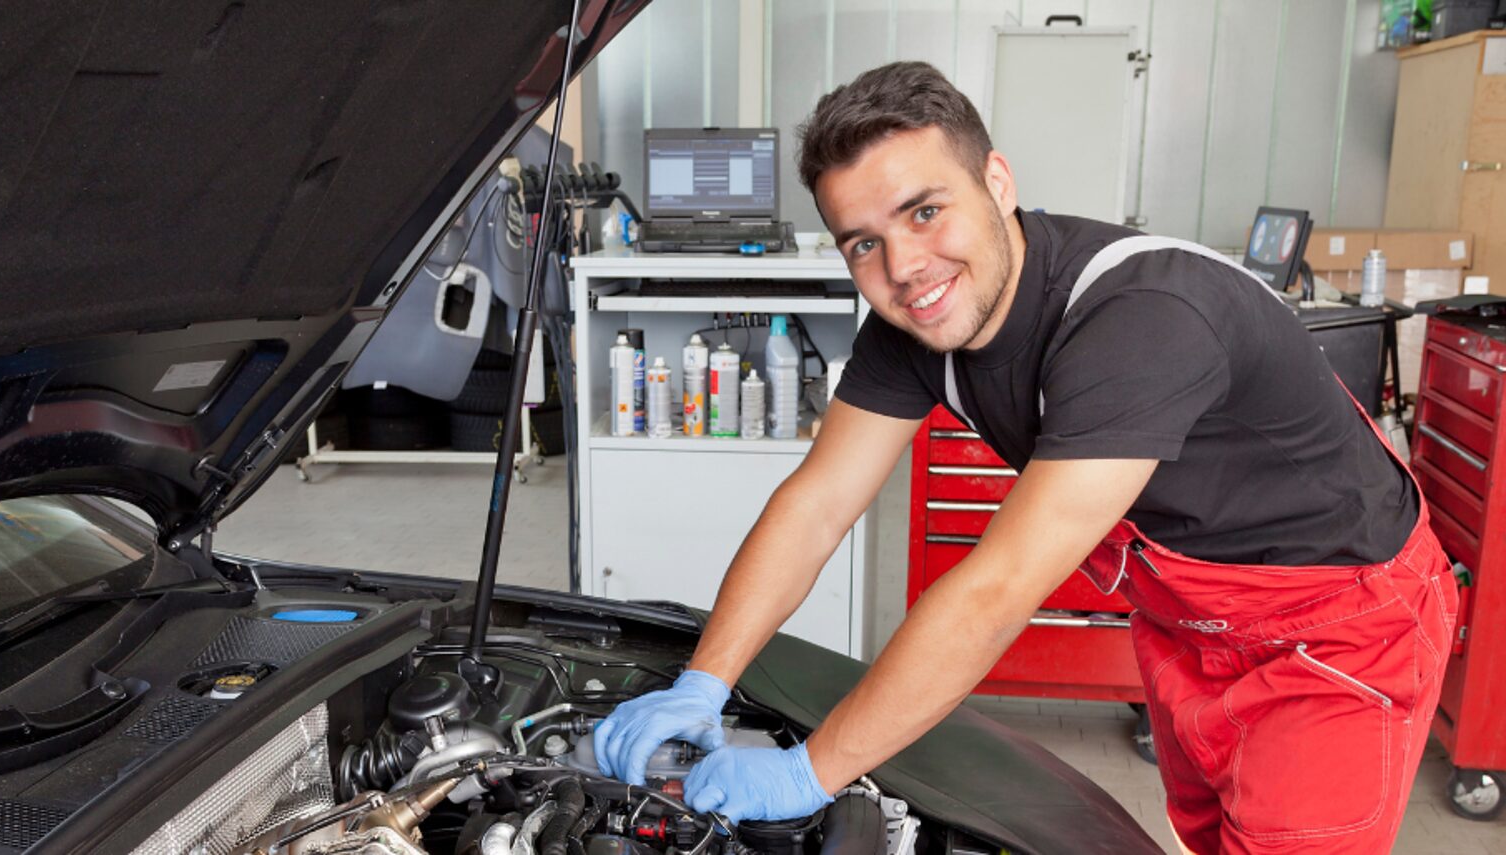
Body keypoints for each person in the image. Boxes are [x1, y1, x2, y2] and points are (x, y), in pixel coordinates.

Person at [592, 61, 1457, 854]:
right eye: (863, 242)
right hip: (1192, 612)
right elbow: (818, 501)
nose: (905, 267)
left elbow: (997, 590)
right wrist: (705, 680)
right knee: (1205, 833)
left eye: (925, 211)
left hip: (1342, 631)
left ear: (997, 182)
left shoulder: (1140, 318)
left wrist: (808, 772)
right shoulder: (914, 322)